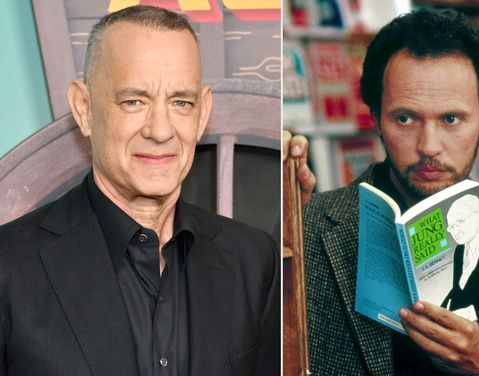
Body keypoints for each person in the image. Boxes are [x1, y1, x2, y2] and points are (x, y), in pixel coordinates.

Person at [0, 5, 279, 376]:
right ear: (84, 108)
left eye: (181, 102)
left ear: (203, 112)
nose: (160, 130)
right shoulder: (10, 266)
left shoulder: (254, 260)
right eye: (134, 101)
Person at [284, 8, 479, 376]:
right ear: (375, 117)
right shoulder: (304, 225)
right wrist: (278, 235)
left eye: (451, 119)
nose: (429, 146)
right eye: (405, 118)